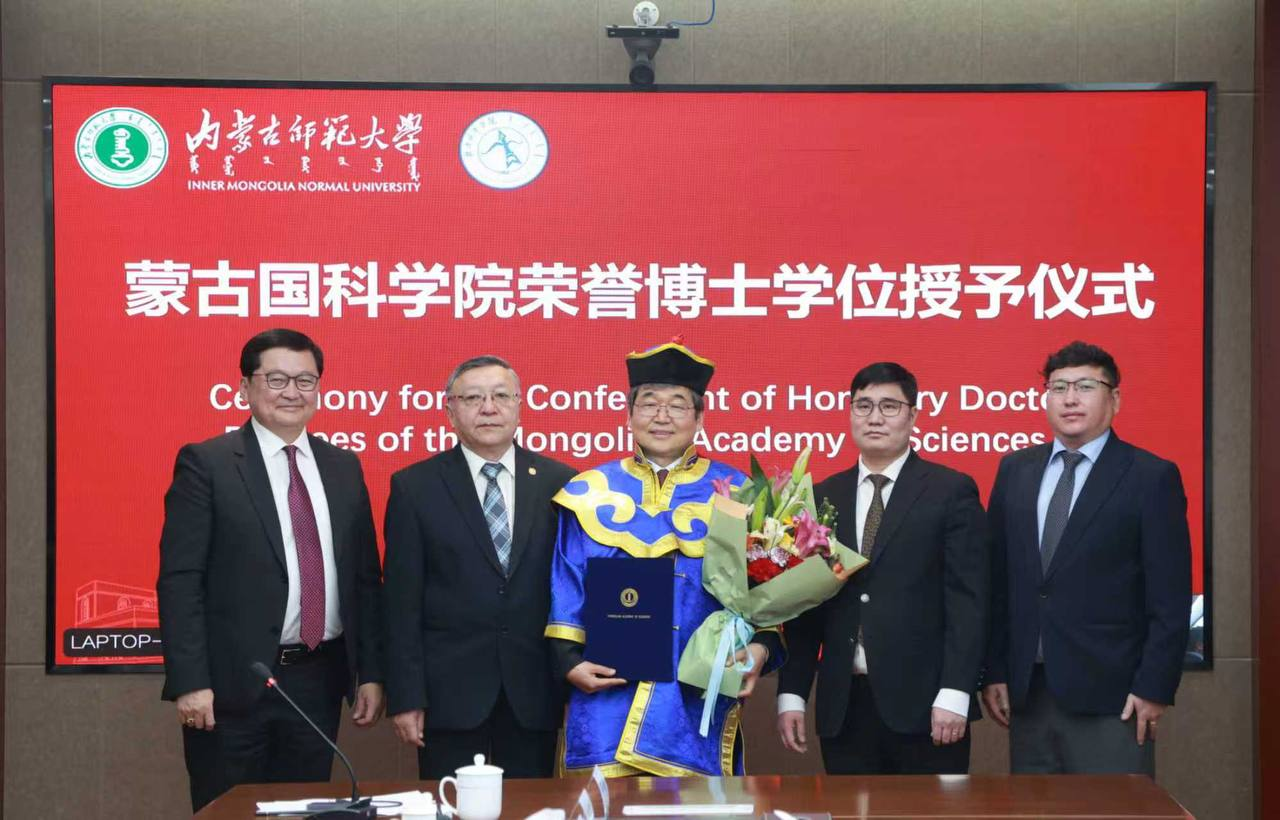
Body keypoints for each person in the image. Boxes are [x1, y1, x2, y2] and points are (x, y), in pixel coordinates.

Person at [157, 328, 384, 813]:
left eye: (305, 380)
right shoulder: (208, 464)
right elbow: (181, 581)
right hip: (231, 687)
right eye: (276, 379)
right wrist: (190, 682)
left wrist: (369, 671)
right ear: (245, 387)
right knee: (229, 811)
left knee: (304, 809)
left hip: (318, 681)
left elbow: (364, 578)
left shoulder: (343, 466)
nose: (291, 392)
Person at [545, 340, 783, 776]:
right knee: (604, 803)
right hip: (604, 697)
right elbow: (567, 584)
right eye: (649, 403)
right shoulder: (588, 492)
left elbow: (766, 590)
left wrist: (762, 647)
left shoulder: (737, 494)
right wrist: (569, 664)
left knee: (695, 802)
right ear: (629, 413)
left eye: (677, 405)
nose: (662, 416)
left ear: (699, 418)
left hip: (695, 695)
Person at [982, 341, 1191, 776]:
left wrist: (1154, 686)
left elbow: (1169, 597)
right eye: (1058, 387)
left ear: (1115, 398)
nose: (1070, 398)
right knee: (1033, 808)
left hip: (1114, 696)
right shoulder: (1016, 470)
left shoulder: (1150, 477)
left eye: (1085, 386)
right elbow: (999, 581)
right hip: (1029, 692)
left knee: (1112, 807)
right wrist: (995, 670)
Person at [776, 362, 988, 774]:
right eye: (864, 406)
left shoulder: (949, 491)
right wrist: (792, 694)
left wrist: (956, 690)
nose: (875, 417)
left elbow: (969, 602)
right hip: (844, 707)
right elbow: (805, 605)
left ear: (913, 415)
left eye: (890, 406)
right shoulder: (822, 496)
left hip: (928, 706)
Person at [383, 356, 574, 779]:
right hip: (448, 696)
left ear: (519, 406)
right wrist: (406, 696)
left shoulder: (560, 483)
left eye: (501, 396)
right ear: (450, 411)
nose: (489, 408)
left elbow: (571, 591)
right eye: (473, 398)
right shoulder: (415, 486)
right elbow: (400, 602)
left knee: (530, 807)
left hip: (534, 692)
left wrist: (571, 681)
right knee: (451, 805)